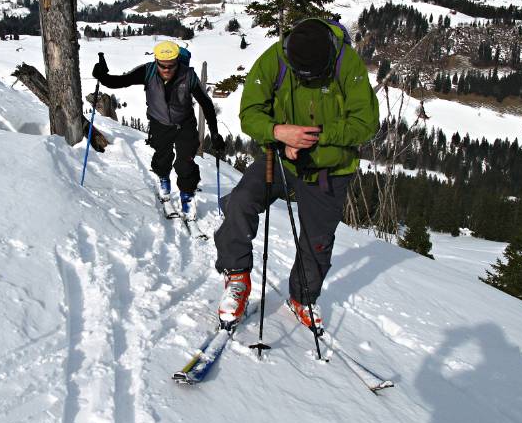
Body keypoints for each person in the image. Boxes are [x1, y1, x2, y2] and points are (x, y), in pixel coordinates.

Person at [213, 18, 380, 330]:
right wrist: (278, 133)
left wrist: (308, 138)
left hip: (330, 168)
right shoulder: (276, 58)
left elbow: (366, 124)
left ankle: (302, 297)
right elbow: (250, 113)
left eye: (313, 76)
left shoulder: (347, 63)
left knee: (317, 241)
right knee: (240, 202)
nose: (305, 79)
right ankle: (237, 278)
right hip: (280, 158)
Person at [92, 41, 225, 219]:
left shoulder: (189, 76)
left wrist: (214, 133)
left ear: (178, 61)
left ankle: (187, 195)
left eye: (171, 66)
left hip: (184, 123)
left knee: (185, 161)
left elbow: (207, 105)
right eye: (163, 66)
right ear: (156, 60)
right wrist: (102, 76)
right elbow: (121, 81)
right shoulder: (148, 71)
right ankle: (163, 179)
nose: (167, 69)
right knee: (162, 157)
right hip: (159, 123)